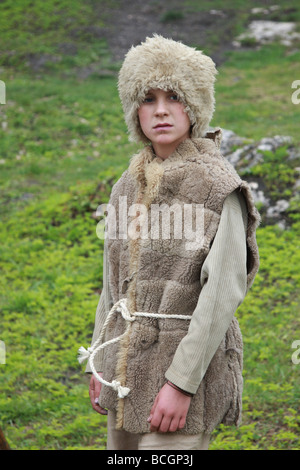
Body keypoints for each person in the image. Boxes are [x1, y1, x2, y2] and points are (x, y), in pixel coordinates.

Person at [79, 35, 260, 450]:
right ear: (134, 110)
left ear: (194, 105)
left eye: (174, 96)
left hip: (186, 372)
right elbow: (113, 284)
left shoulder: (218, 187)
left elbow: (222, 294)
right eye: (148, 98)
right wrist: (100, 358)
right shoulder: (127, 185)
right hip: (126, 368)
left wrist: (181, 383)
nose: (161, 110)